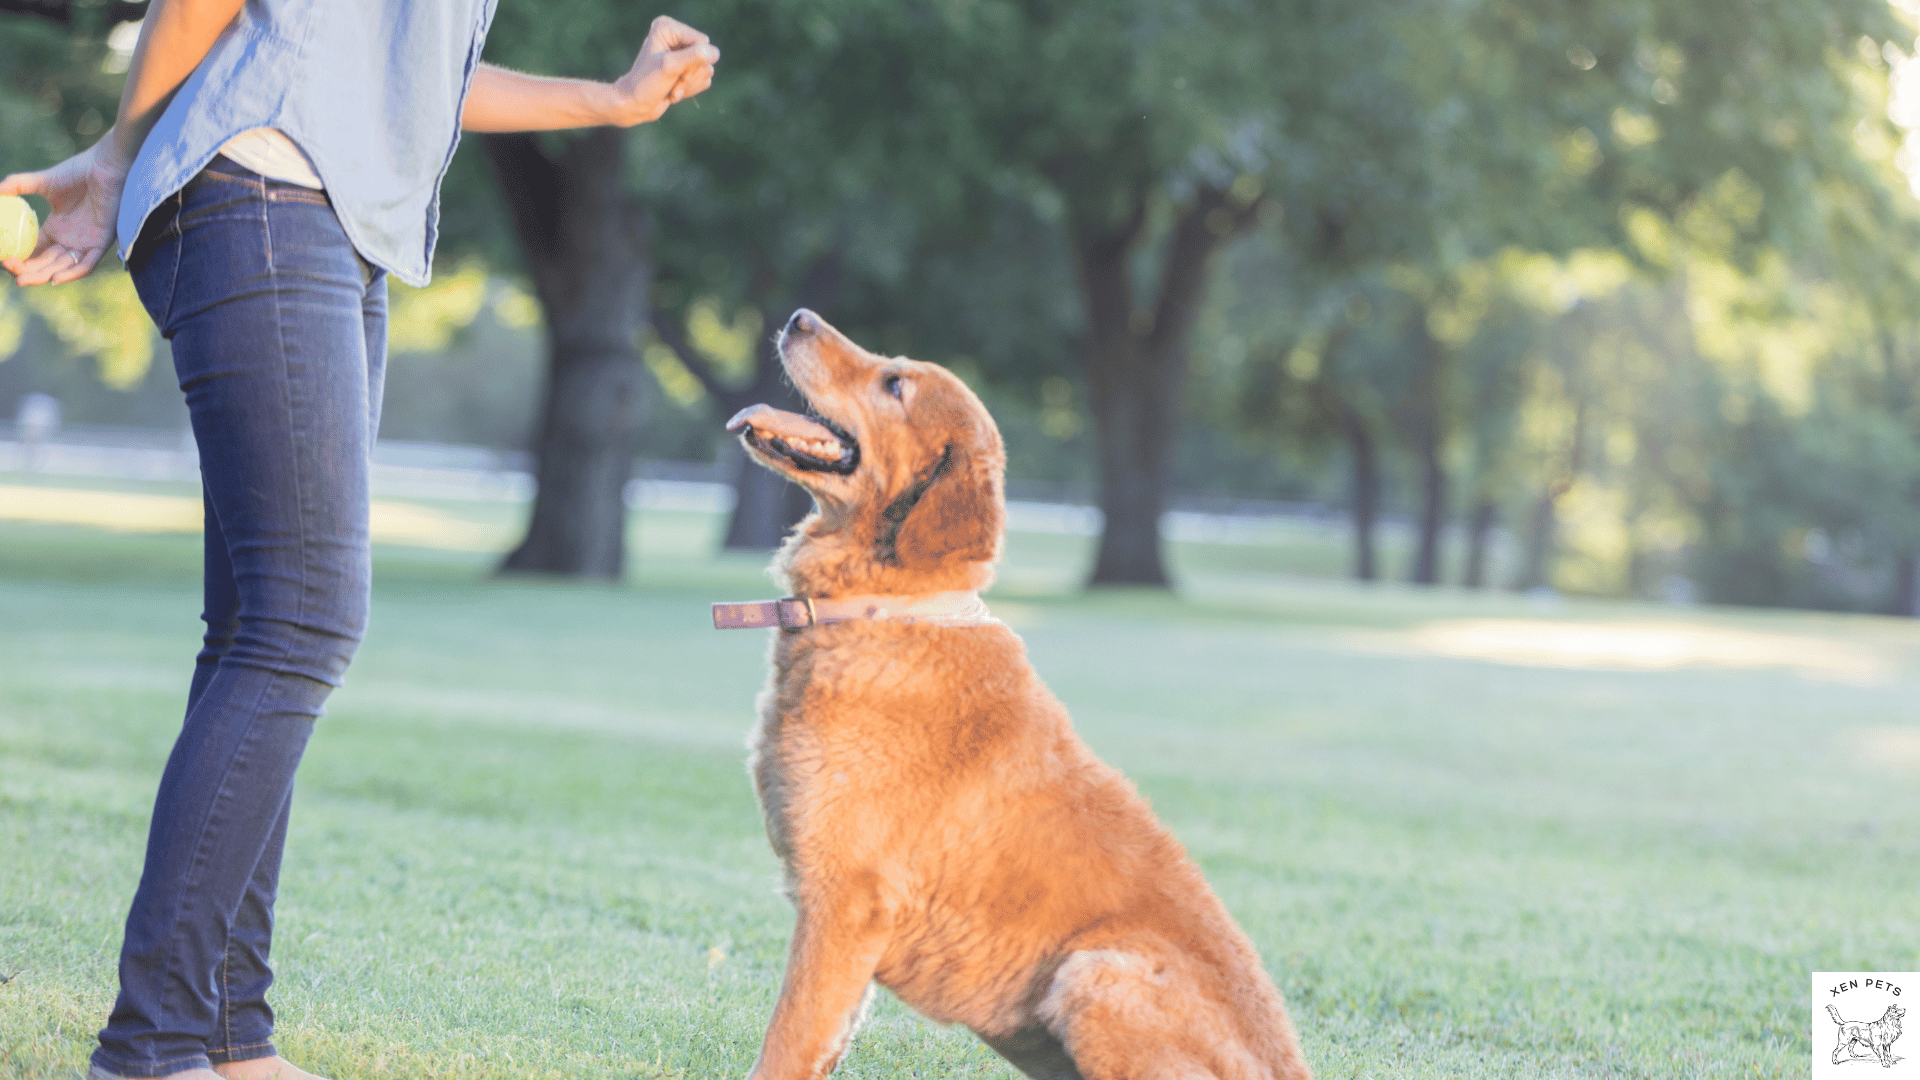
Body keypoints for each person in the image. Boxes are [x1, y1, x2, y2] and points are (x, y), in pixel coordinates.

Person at [0, 3, 717, 1078]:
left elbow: (409, 77)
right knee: (303, 622)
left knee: (258, 627)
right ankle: (150, 1048)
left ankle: (232, 1035)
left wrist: (605, 102)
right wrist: (116, 152)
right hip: (261, 190)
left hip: (329, 220)